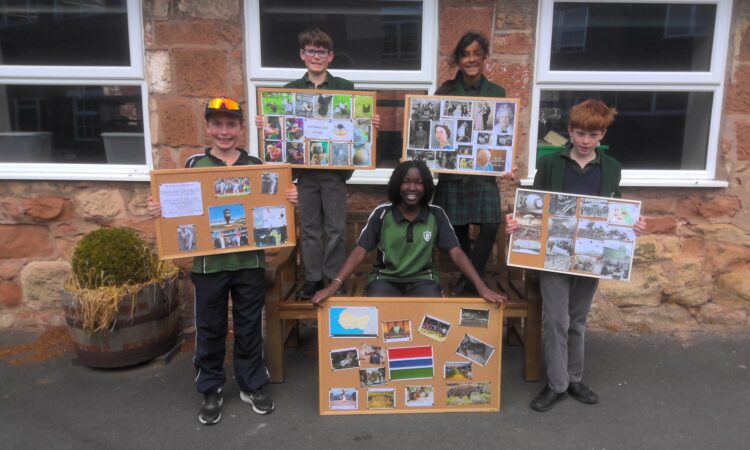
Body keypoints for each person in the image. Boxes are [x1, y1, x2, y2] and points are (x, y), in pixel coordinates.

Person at [147, 97, 299, 425]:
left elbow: (271, 207)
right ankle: (211, 387)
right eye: (217, 124)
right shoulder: (193, 165)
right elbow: (178, 209)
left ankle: (251, 384)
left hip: (249, 263)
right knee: (211, 328)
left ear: (242, 128)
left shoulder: (257, 165)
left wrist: (288, 200)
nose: (224, 131)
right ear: (207, 127)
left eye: (231, 124)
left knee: (248, 328)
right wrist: (161, 211)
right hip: (209, 266)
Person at [506, 99, 646, 412]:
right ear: (570, 131)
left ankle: (575, 378)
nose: (585, 141)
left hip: (591, 255)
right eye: (580, 133)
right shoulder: (552, 163)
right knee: (556, 319)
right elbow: (535, 204)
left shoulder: (611, 168)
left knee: (577, 320)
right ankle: (557, 384)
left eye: (592, 135)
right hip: (553, 255)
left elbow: (615, 208)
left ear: (603, 135)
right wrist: (519, 222)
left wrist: (631, 225)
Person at [256, 27, 380, 299]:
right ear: (302, 55)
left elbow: (356, 128)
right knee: (310, 229)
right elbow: (280, 133)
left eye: (321, 51)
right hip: (306, 173)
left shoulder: (344, 88)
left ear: (330, 56)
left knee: (335, 229)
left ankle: (333, 280)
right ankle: (313, 279)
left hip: (333, 172)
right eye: (311, 50)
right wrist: (266, 125)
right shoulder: (290, 92)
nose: (316, 56)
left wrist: (369, 123)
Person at [311, 160, 506, 306]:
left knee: (432, 314)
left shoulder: (436, 215)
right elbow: (360, 251)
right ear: (397, 185)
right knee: (378, 311)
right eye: (406, 182)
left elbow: (456, 252)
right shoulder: (382, 214)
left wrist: (481, 287)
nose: (412, 188)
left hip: (423, 280)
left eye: (419, 182)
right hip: (385, 279)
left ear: (426, 186)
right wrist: (333, 285)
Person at [433, 31, 517, 297]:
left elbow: (503, 134)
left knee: (491, 225)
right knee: (456, 230)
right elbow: (432, 131)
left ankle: (471, 280)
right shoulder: (445, 91)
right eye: (465, 54)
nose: (471, 59)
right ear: (458, 59)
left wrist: (505, 160)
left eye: (476, 54)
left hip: (483, 173)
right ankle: (469, 279)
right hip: (453, 174)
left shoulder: (497, 92)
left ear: (484, 58)